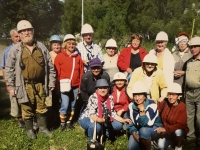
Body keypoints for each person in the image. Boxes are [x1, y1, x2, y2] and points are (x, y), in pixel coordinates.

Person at [5, 20, 56, 139]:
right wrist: (11, 87)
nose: (27, 33)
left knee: (41, 107)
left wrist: (51, 81)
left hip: (40, 84)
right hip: (24, 85)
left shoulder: (41, 47)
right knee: (26, 108)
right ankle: (29, 130)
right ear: (20, 34)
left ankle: (43, 128)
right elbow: (9, 69)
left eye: (29, 30)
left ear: (33, 31)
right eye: (23, 31)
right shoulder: (15, 50)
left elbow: (50, 65)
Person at [54, 34, 84, 131]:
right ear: (65, 45)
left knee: (72, 105)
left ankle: (69, 122)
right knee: (65, 104)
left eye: (73, 44)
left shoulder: (78, 57)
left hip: (75, 85)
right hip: (64, 85)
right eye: (69, 44)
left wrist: (80, 86)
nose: (71, 45)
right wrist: (57, 86)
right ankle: (62, 123)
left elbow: (81, 72)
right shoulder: (59, 56)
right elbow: (56, 73)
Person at [127, 81, 162, 150]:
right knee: (131, 148)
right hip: (138, 129)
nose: (137, 98)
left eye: (139, 95)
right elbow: (129, 122)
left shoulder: (152, 105)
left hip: (153, 128)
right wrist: (134, 133)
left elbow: (147, 124)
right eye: (135, 95)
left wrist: (142, 111)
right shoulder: (131, 106)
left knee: (143, 131)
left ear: (145, 96)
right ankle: (145, 142)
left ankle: (150, 144)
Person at [0, 28, 24, 128]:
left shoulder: (26, 48)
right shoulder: (7, 51)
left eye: (19, 36)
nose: (18, 38)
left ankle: (30, 118)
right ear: (11, 38)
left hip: (24, 79)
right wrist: (8, 84)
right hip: (13, 80)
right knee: (15, 101)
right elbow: (5, 69)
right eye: (16, 36)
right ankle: (20, 120)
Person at [156, 83, 188, 150]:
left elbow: (181, 124)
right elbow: (155, 111)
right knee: (161, 146)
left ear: (178, 96)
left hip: (175, 130)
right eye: (169, 94)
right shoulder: (164, 102)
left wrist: (166, 129)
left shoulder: (182, 106)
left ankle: (178, 145)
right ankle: (171, 142)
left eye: (173, 95)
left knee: (178, 132)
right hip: (166, 132)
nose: (170, 97)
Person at [182, 36, 200, 147]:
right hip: (188, 92)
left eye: (195, 47)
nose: (193, 49)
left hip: (199, 91)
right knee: (189, 116)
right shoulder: (188, 62)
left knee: (199, 118)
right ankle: (190, 137)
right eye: (191, 47)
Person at [48, 34, 62, 128]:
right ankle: (55, 116)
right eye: (54, 45)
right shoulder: (49, 54)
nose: (56, 46)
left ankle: (63, 115)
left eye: (58, 44)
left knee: (64, 98)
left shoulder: (62, 53)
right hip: (54, 79)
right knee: (55, 99)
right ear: (51, 46)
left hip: (62, 79)